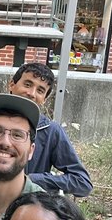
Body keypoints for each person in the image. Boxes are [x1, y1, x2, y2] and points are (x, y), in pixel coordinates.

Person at [8, 62, 93, 197]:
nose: (31, 93)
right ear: (12, 84)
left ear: (44, 99)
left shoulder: (51, 131)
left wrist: (33, 180)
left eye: (40, 91)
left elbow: (82, 183)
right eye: (27, 84)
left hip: (28, 205)